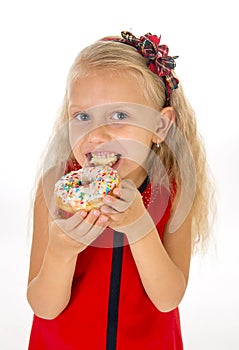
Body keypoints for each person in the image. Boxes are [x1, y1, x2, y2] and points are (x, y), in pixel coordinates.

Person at [27, 31, 215, 349]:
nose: (96, 134)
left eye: (119, 116)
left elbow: (168, 299)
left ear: (159, 126)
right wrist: (61, 252)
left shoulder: (170, 191)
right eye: (82, 116)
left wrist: (140, 229)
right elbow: (43, 307)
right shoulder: (55, 192)